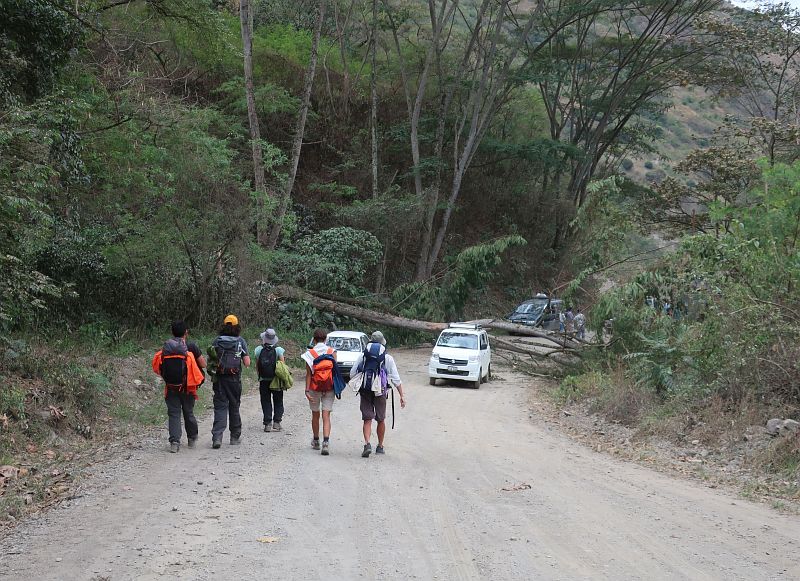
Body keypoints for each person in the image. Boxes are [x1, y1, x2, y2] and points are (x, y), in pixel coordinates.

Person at [151, 321, 206, 453]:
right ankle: (192, 438)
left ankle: (174, 443)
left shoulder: (166, 348)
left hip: (171, 387)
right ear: (186, 332)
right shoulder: (191, 347)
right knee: (188, 412)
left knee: (174, 413)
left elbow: (157, 366)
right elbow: (203, 364)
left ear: (172, 332)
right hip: (188, 387)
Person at [350, 331, 406, 458]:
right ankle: (380, 446)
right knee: (380, 419)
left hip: (365, 390)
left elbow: (352, 373)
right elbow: (396, 379)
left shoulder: (363, 356)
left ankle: (367, 443)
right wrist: (402, 396)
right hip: (380, 390)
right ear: (382, 343)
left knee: (367, 418)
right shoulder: (387, 358)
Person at [210, 314, 250, 449]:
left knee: (220, 407)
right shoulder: (240, 341)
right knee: (234, 406)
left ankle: (217, 437)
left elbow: (211, 358)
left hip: (220, 379)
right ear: (237, 326)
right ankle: (234, 437)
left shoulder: (217, 341)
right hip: (234, 379)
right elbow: (247, 362)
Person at [301, 328, 336, 456]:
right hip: (329, 387)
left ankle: (316, 441)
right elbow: (334, 372)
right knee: (326, 415)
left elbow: (308, 374)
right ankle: (326, 442)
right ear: (326, 339)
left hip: (314, 387)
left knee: (315, 414)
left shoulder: (309, 354)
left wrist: (306, 390)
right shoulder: (332, 352)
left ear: (314, 339)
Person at [254, 328, 286, 433]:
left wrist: (260, 376)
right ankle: (277, 422)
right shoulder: (279, 350)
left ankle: (267, 424)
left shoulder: (258, 350)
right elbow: (282, 366)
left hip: (263, 380)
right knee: (278, 400)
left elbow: (257, 365)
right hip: (276, 380)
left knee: (265, 401)